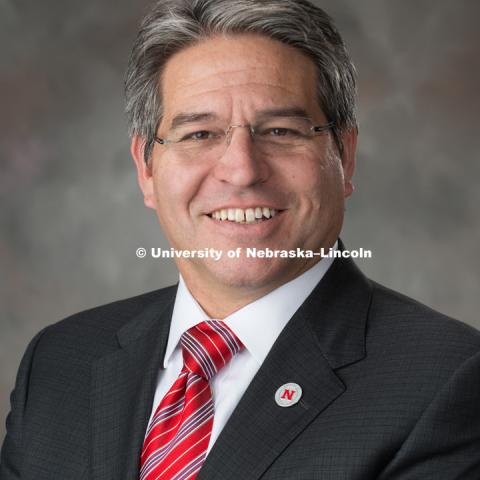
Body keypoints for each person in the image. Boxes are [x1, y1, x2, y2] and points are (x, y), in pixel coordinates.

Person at [1, 0, 480, 478]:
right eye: (199, 134)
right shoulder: (59, 360)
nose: (242, 170)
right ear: (146, 169)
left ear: (344, 156)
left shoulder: (447, 380)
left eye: (280, 130)